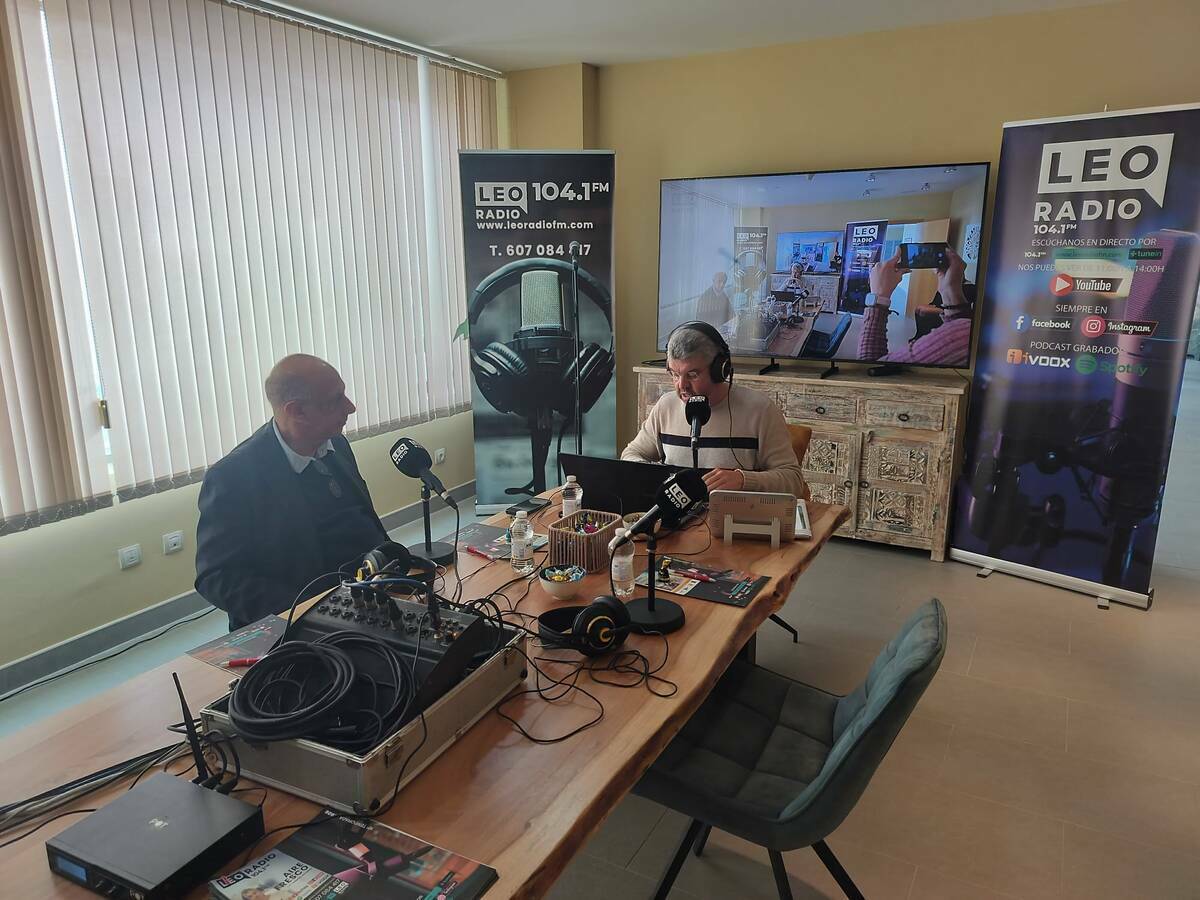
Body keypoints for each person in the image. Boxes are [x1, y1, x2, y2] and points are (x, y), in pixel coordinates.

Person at [195, 354, 388, 629]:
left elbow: (364, 521)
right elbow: (217, 577)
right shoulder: (232, 477)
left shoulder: (336, 445)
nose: (351, 407)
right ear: (297, 411)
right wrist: (313, 611)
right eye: (336, 400)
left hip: (371, 593)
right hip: (305, 618)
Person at [622, 323, 809, 498]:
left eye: (692, 375)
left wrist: (744, 480)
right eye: (675, 374)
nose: (681, 385)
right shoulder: (665, 406)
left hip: (733, 518)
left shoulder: (761, 410)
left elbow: (793, 481)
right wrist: (650, 474)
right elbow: (631, 455)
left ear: (719, 369)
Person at [858, 245, 974, 366]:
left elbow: (870, 367)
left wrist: (878, 298)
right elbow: (962, 324)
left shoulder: (957, 341)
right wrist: (950, 290)